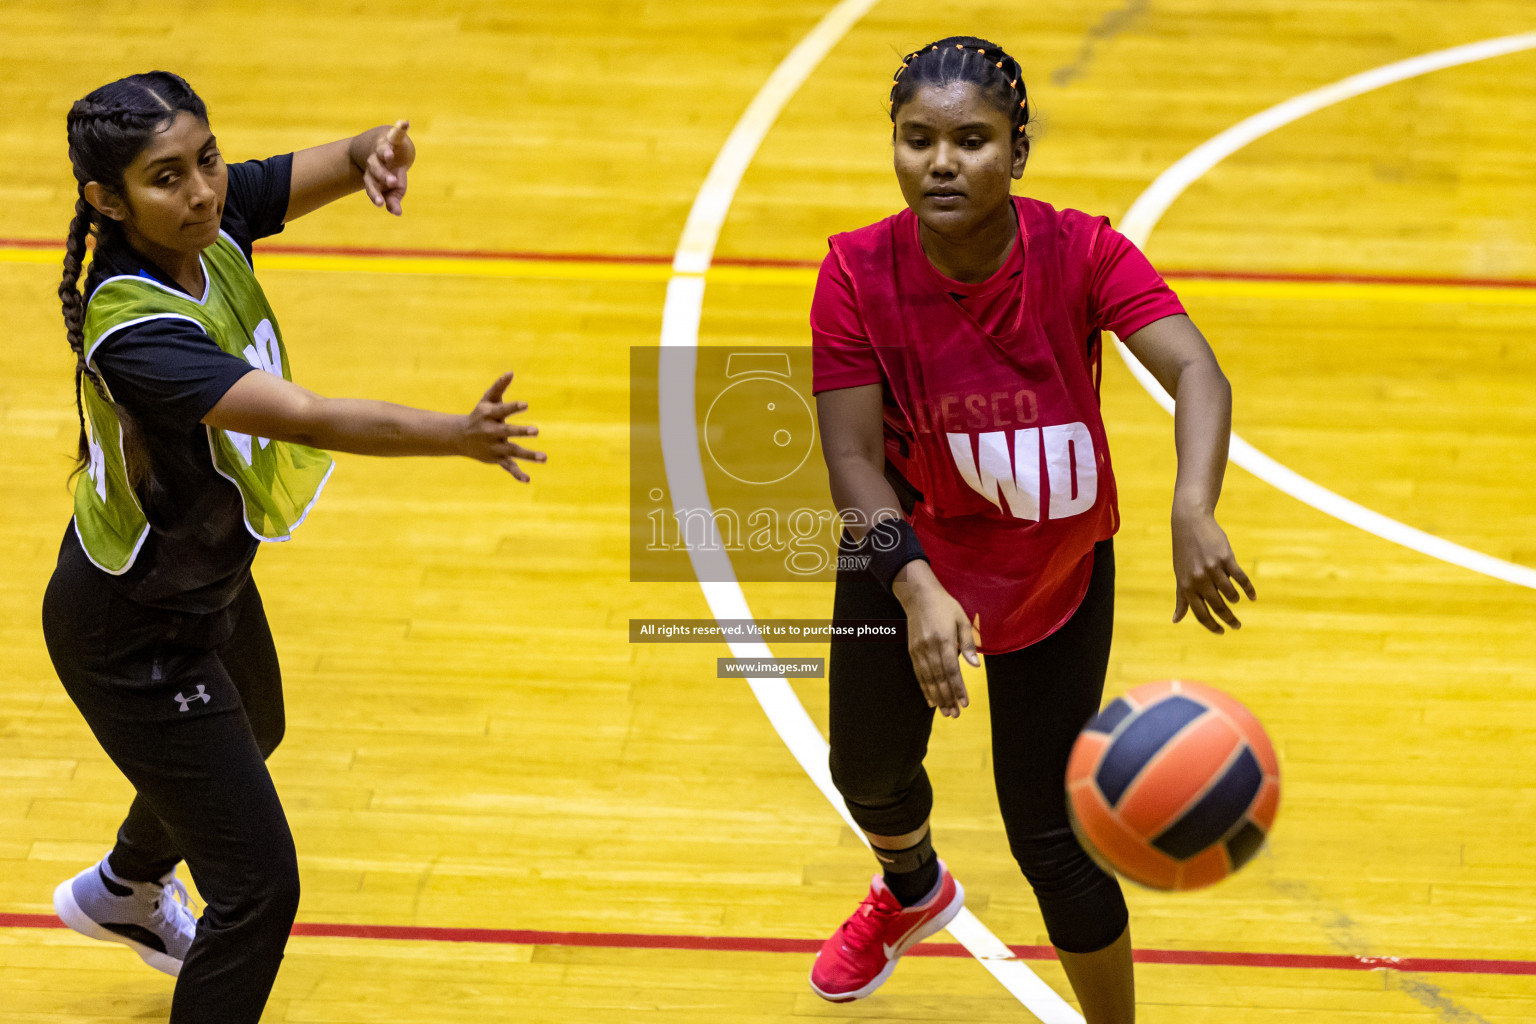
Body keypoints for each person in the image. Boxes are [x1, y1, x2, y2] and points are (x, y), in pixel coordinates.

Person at [44, 71, 543, 1024]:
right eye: (165, 178)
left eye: (206, 160)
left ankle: (124, 890)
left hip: (203, 580)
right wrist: (456, 433)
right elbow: (307, 415)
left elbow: (301, 172)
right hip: (129, 631)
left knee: (255, 728)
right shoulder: (137, 328)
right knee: (259, 886)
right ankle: (141, 897)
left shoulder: (208, 223)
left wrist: (369, 155)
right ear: (107, 201)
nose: (200, 192)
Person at [807, 37, 1255, 1021]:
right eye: (917, 139)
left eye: (971, 139)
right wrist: (917, 585)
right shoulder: (853, 273)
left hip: (1054, 570)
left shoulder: (1082, 250)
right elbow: (849, 460)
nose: (941, 161)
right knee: (868, 772)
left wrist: (1193, 505)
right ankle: (910, 887)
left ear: (1018, 150)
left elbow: (1195, 372)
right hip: (909, 551)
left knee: (1054, 837)